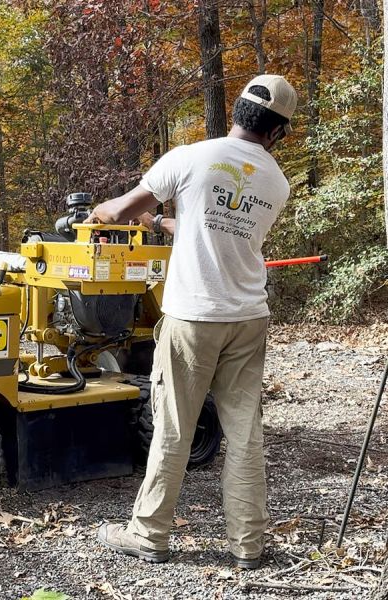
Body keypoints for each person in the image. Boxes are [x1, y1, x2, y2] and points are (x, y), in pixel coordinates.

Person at [86, 74, 298, 569]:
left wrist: (104, 211)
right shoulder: (277, 183)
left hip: (193, 317)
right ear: (277, 132)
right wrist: (161, 223)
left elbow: (121, 209)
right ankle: (248, 545)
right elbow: (216, 225)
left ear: (238, 111)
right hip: (247, 316)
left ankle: (150, 534)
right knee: (244, 431)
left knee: (174, 426)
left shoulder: (189, 157)